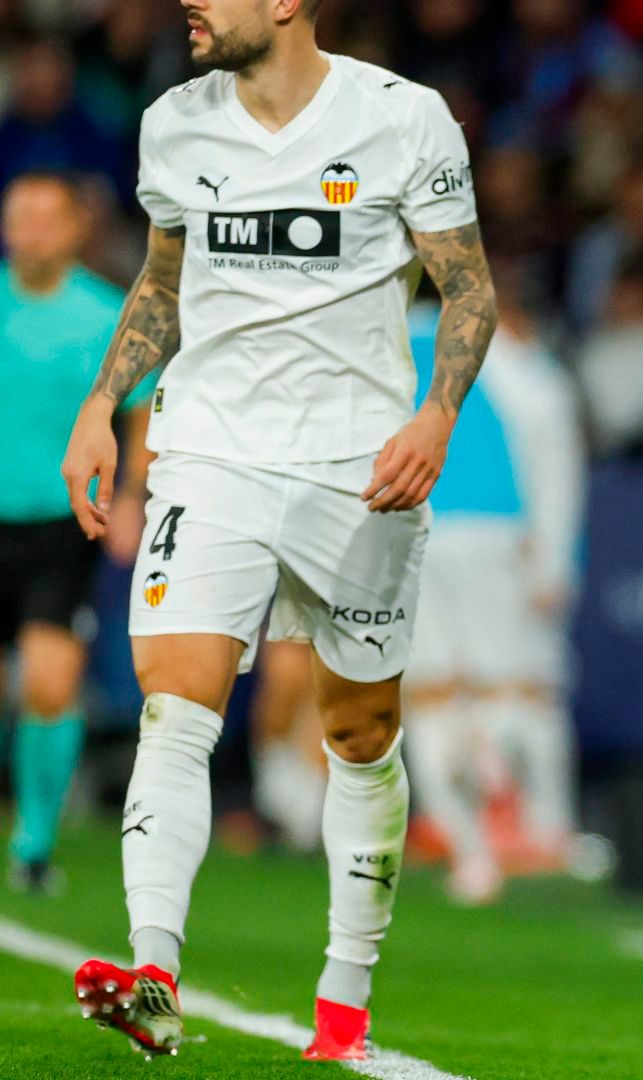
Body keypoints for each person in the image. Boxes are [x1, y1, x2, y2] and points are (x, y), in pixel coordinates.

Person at [58, 0, 496, 1061]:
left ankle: (345, 995)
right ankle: (154, 971)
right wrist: (103, 404)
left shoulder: (405, 117)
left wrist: (436, 415)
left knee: (357, 733)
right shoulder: (175, 121)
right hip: (210, 452)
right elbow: (164, 283)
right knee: (177, 704)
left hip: (360, 469)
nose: (189, 6)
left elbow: (468, 284)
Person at [403, 271, 584, 906]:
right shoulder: (532, 376)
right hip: (494, 540)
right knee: (517, 688)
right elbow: (555, 476)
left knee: (428, 696)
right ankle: (537, 824)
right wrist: (556, 566)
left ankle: (472, 850)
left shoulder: (411, 333)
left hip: (413, 529)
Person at [0, 172, 150, 895]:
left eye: (42, 216)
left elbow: (141, 411)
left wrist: (130, 497)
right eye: (17, 215)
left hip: (61, 523)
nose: (28, 228)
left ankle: (33, 841)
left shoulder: (103, 313)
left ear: (70, 229)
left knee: (49, 688)